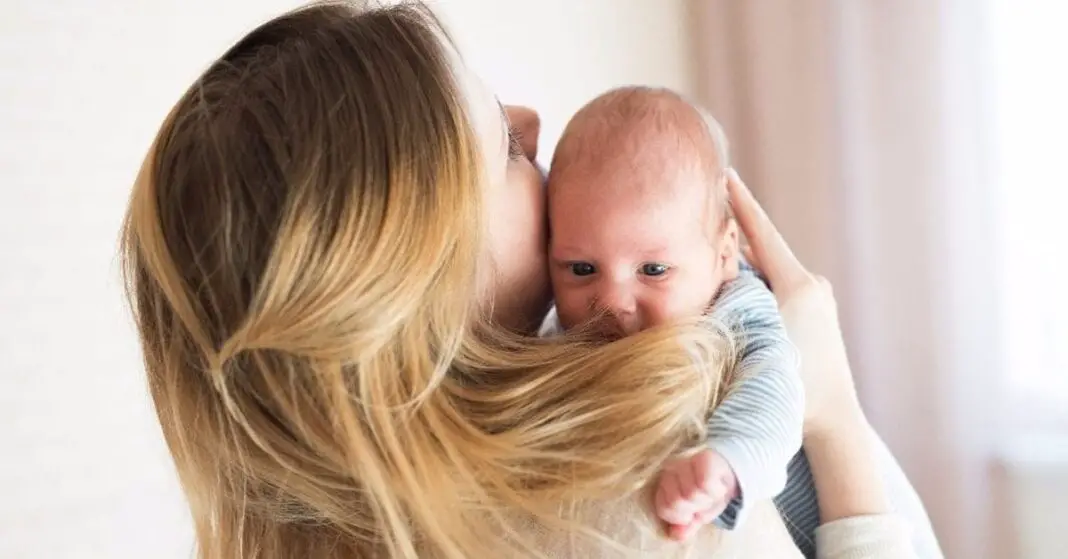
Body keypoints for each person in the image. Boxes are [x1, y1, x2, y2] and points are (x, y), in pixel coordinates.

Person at [119, 2, 932, 557]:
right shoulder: (652, 488)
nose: (536, 124)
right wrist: (830, 415)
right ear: (417, 280)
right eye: (504, 146)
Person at [545, 86, 943, 558]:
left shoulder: (739, 311)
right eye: (581, 269)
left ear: (725, 252)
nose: (611, 302)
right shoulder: (566, 337)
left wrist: (729, 463)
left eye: (653, 271)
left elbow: (772, 392)